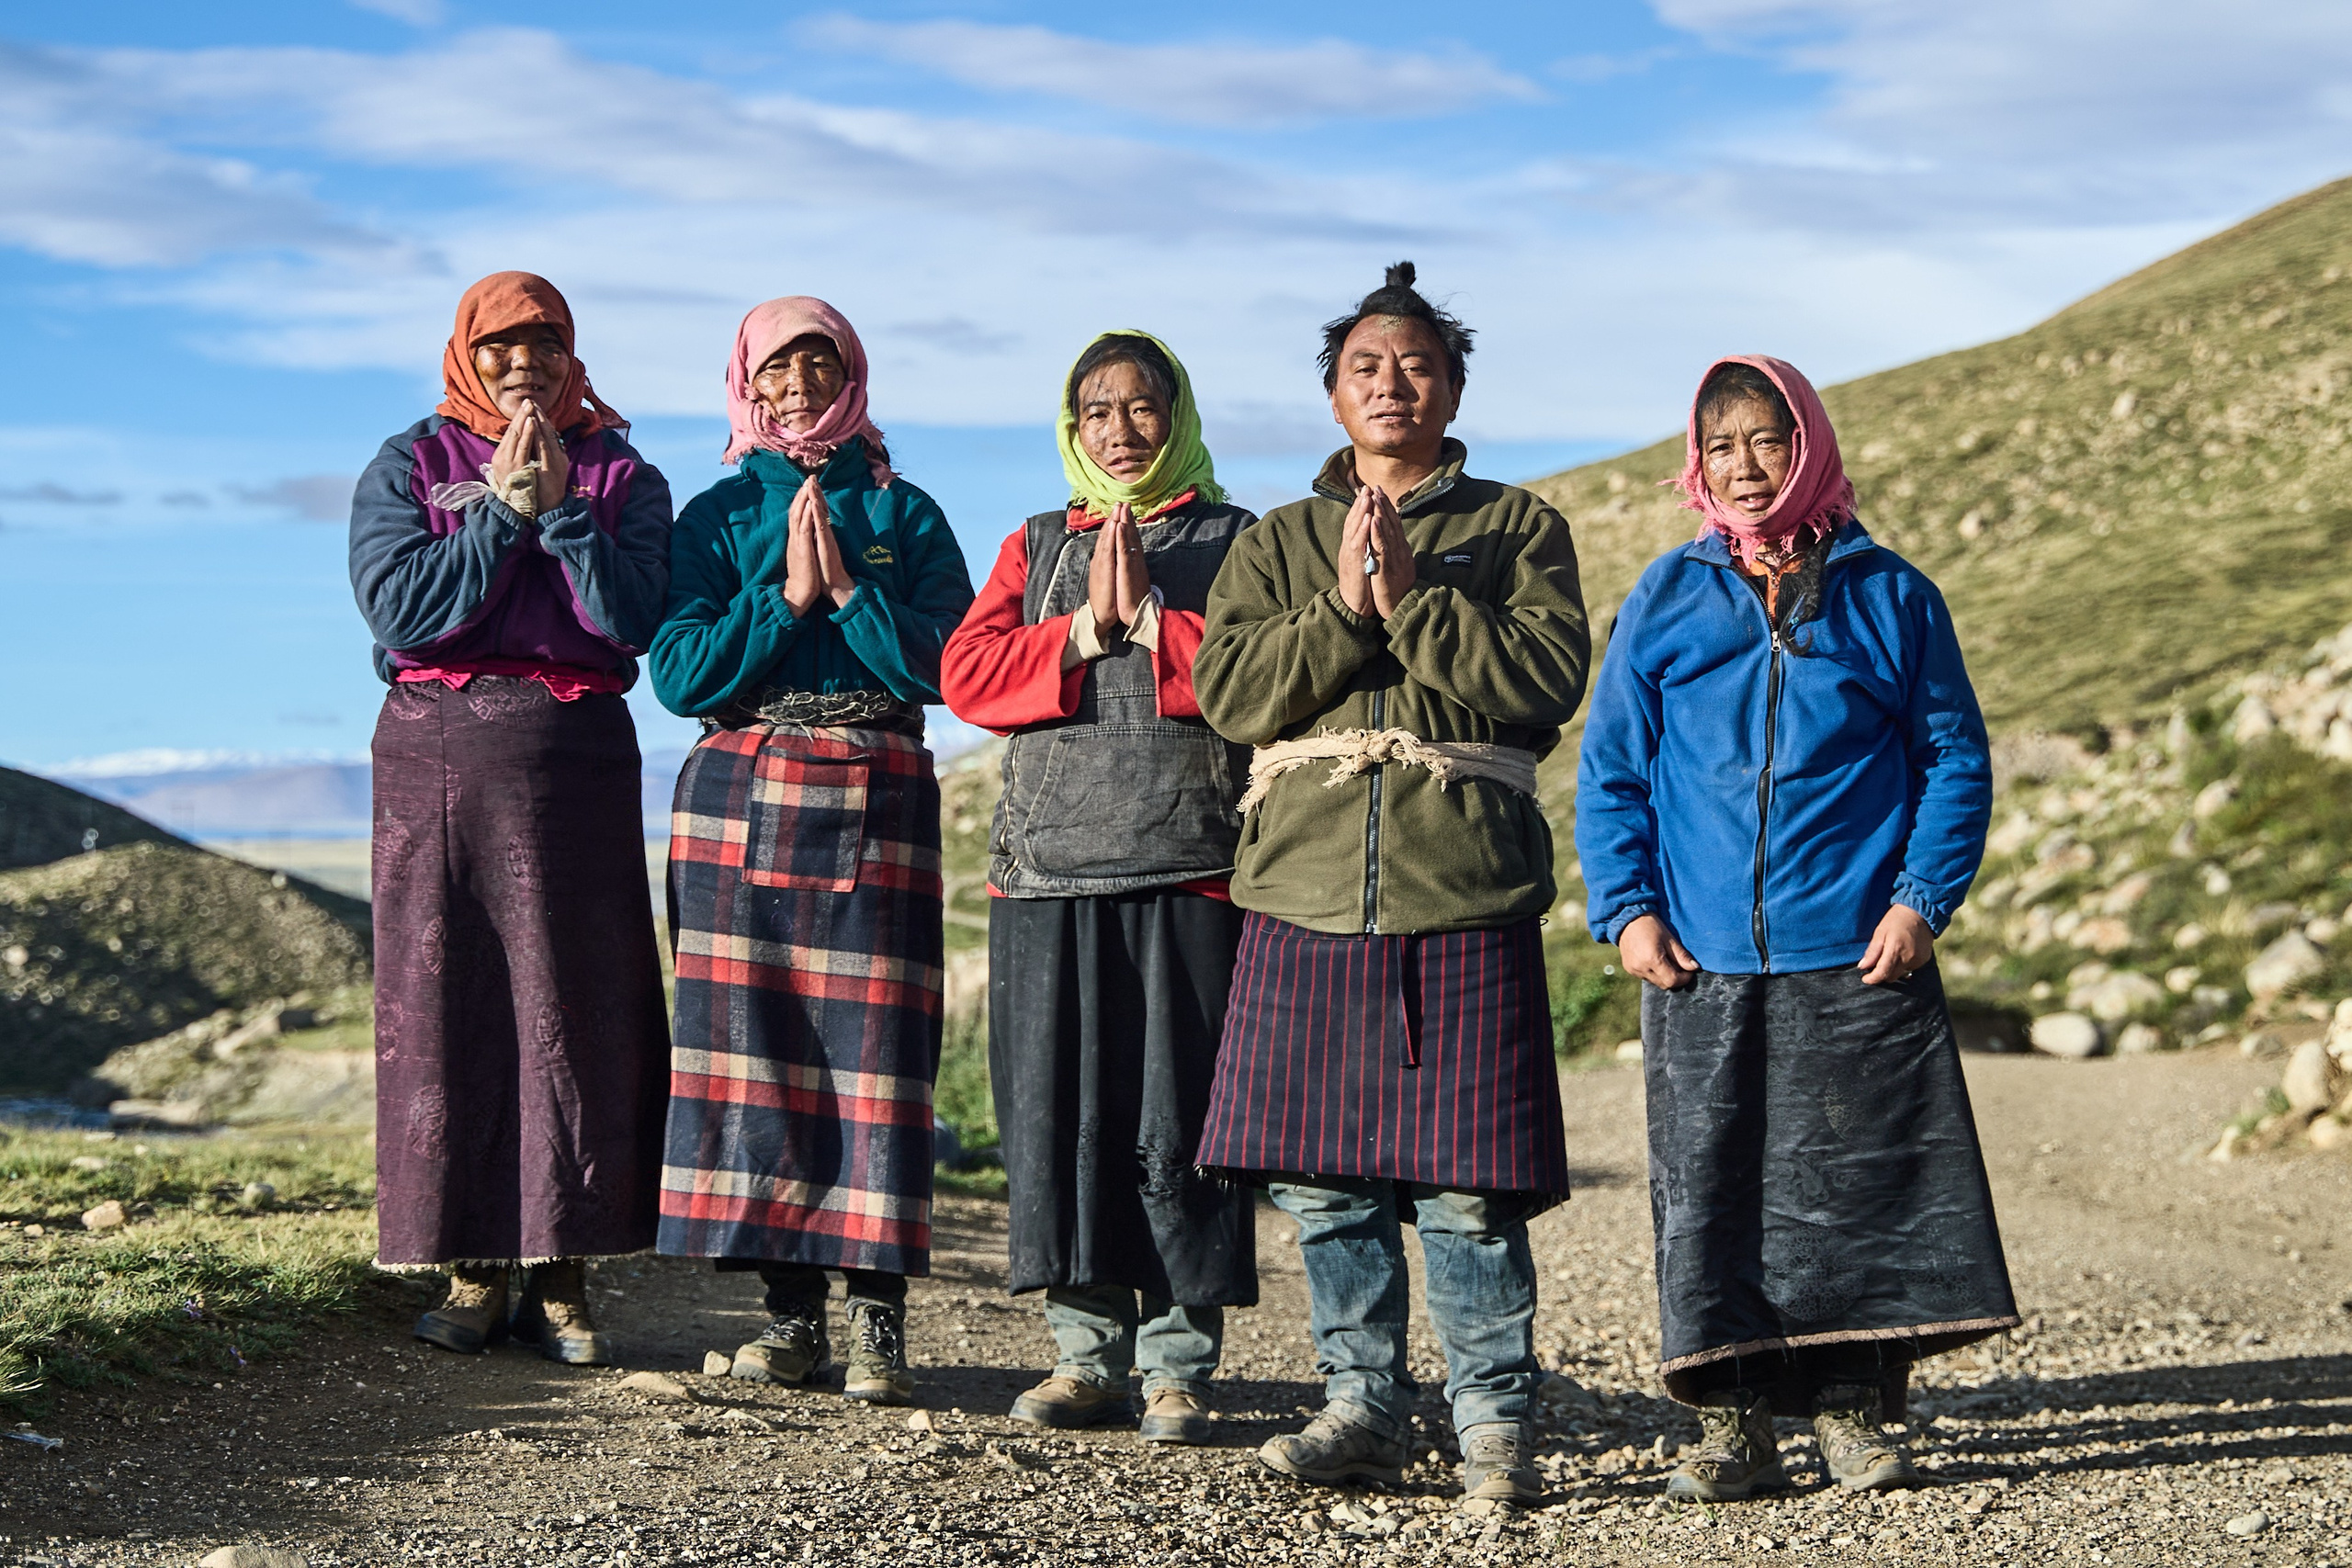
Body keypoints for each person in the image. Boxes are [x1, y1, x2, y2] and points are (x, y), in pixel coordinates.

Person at [1576, 355, 2018, 1500]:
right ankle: (1729, 1426)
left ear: (1807, 443)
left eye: (1767, 440)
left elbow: (1951, 758)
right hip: (1698, 957)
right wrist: (1626, 912)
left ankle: (1852, 1411)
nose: (1745, 466)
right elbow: (1613, 771)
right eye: (1720, 445)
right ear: (1696, 461)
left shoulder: (1889, 592)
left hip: (1856, 951)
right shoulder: (1668, 595)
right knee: (1712, 1185)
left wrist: (1922, 899)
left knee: (1854, 1187)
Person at [1191, 263, 1590, 1507]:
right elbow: (1235, 695)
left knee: (1467, 1190)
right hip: (1304, 889)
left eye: (1416, 364)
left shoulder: (1517, 527)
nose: (1391, 382)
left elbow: (1540, 682)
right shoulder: (1277, 541)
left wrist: (1413, 602)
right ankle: (1360, 1402)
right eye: (1366, 365)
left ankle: (1494, 1421)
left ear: (1454, 386)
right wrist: (1343, 610)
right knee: (1325, 1178)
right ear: (1331, 394)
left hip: (1460, 883)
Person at [650, 296, 974, 1407]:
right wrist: (781, 601)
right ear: (747, 378)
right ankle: (789, 1320)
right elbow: (683, 673)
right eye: (777, 366)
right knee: (761, 1057)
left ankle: (878, 1321)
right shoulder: (714, 512)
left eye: (817, 362)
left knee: (875, 1064)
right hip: (739, 791)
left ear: (851, 373)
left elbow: (948, 666)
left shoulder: (904, 509)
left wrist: (848, 593)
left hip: (879, 791)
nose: (796, 384)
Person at [939, 331, 1259, 1446]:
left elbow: (1265, 682)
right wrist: (1079, 631)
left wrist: (1160, 628)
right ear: (1070, 428)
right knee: (1066, 1119)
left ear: (1180, 415)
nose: (1119, 432)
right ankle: (1087, 1358)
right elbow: (966, 677)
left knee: (1181, 1123)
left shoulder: (1238, 542)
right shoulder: (1034, 545)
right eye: (1095, 412)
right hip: (1048, 877)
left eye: (1142, 408)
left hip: (1195, 872)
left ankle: (1177, 1365)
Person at [350, 270, 673, 1365]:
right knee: (455, 1007)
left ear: (572, 353)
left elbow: (634, 621)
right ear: (465, 353)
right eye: (501, 343)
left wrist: (567, 516)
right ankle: (471, 1269)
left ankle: (565, 1275)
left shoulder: (625, 472)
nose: (522, 360)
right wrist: (496, 514)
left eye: (545, 341)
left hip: (572, 761)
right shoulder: (412, 463)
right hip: (434, 759)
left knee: (572, 1009)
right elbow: (403, 612)